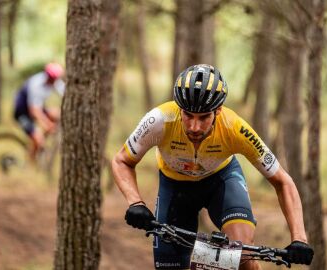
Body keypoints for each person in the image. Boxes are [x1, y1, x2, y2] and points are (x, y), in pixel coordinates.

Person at [111, 64, 314, 270]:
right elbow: (122, 161)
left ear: (218, 111)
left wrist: (299, 238)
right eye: (188, 115)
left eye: (204, 117)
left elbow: (283, 181)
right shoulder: (160, 120)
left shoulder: (235, 127)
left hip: (221, 181)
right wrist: (135, 202)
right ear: (179, 108)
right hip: (175, 187)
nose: (194, 127)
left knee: (240, 253)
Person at [13, 63, 65, 161]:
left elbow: (65, 92)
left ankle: (44, 140)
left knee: (57, 114)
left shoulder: (55, 81)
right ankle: (32, 161)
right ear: (47, 76)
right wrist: (47, 124)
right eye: (51, 79)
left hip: (37, 108)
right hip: (22, 112)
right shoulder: (35, 84)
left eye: (55, 79)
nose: (53, 82)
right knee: (38, 139)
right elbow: (34, 111)